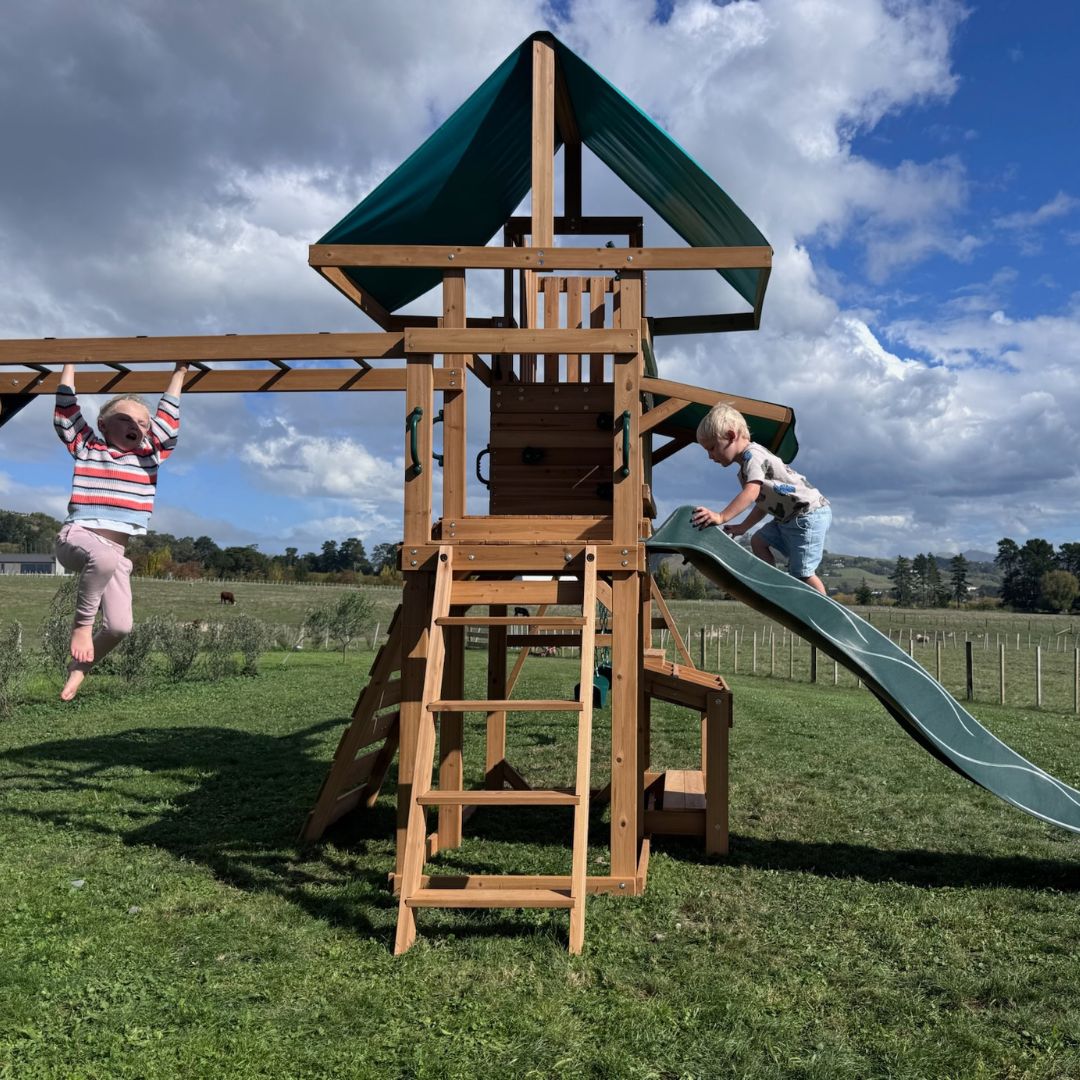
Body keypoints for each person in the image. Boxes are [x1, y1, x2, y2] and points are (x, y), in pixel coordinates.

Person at [52, 361, 189, 700]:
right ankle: (81, 627)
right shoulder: (88, 448)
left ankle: (80, 667)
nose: (136, 425)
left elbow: (168, 421)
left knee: (120, 626)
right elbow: (66, 412)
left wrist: (180, 372)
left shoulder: (150, 456)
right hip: (78, 538)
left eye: (143, 422)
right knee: (102, 556)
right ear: (103, 425)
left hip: (112, 557)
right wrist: (69, 361)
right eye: (125, 419)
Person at [691, 402, 831, 595]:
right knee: (758, 541)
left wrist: (722, 517)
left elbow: (751, 494)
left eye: (713, 448)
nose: (710, 455)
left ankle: (827, 614)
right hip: (787, 518)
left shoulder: (753, 457)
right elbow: (762, 504)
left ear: (731, 436)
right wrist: (743, 527)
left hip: (808, 514)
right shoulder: (744, 470)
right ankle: (774, 587)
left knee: (802, 573)